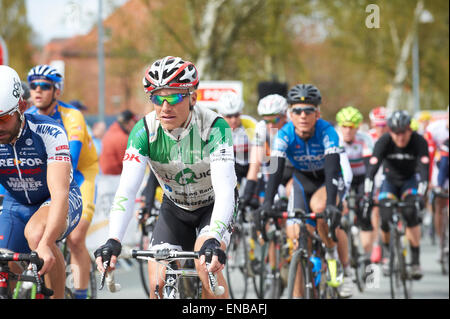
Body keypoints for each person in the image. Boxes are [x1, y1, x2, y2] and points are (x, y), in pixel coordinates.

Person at [94, 56, 236, 299]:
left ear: (193, 97)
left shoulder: (215, 127)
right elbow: (127, 190)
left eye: (174, 97)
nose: (165, 106)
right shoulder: (144, 131)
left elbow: (225, 190)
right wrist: (113, 239)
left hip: (212, 206)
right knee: (157, 284)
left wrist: (214, 236)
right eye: (158, 98)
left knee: (206, 266)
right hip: (175, 208)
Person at [259, 84, 354, 298]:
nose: (303, 115)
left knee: (321, 211)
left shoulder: (327, 131)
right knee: (295, 237)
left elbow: (331, 171)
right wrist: (267, 204)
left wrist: (332, 203)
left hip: (325, 182)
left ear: (317, 113)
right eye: (297, 110)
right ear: (290, 114)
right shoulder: (284, 134)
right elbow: (276, 171)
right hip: (302, 182)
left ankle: (335, 259)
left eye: (308, 110)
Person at [0, 65, 82, 298]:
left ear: (22, 107)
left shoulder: (49, 131)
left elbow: (59, 194)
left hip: (54, 199)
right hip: (16, 204)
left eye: (3, 118)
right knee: (4, 262)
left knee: (37, 236)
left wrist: (46, 243)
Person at [26, 64, 99, 299]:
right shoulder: (25, 115)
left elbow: (73, 158)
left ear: (57, 91)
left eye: (44, 86)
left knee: (76, 238)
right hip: (47, 177)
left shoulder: (72, 116)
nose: (37, 90)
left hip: (79, 175)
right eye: (33, 85)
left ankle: (80, 293)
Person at [363, 110, 429, 280]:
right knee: (384, 216)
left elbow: (423, 171)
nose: (400, 137)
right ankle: (386, 254)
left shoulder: (418, 141)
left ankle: (415, 261)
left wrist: (421, 196)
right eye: (396, 133)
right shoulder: (384, 141)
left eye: (404, 132)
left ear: (410, 130)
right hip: (390, 182)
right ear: (390, 132)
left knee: (410, 212)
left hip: (410, 182)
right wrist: (368, 195)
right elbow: (372, 170)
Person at [336, 106, 375, 270]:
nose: (347, 130)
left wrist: (367, 193)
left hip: (361, 178)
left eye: (351, 127)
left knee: (365, 213)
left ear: (357, 127)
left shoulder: (365, 139)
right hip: (342, 178)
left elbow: (369, 168)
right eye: (344, 126)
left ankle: (367, 259)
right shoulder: (335, 139)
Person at [216, 92, 257, 184]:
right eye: (229, 116)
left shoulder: (250, 123)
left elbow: (260, 154)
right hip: (232, 166)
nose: (233, 120)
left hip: (251, 165)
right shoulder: (216, 128)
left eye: (236, 115)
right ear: (221, 115)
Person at [99, 110, 137, 175]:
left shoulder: (111, 131)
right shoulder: (122, 138)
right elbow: (130, 164)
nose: (136, 125)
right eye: (135, 122)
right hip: (115, 178)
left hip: (105, 176)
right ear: (130, 122)